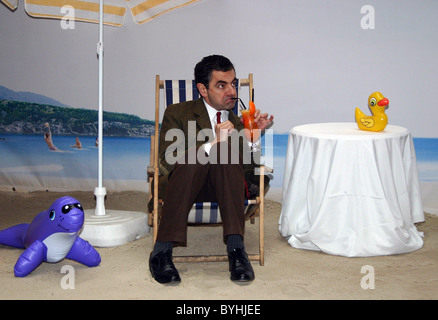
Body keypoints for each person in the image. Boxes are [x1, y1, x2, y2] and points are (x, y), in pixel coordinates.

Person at [149, 55, 274, 284]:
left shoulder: (238, 121)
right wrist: (211, 144)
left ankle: (237, 251)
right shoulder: (177, 113)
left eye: (233, 83)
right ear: (203, 90)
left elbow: (248, 171)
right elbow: (168, 162)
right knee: (209, 152)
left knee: (225, 153)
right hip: (184, 187)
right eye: (221, 85)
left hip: (226, 190)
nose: (232, 91)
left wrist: (251, 138)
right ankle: (162, 251)